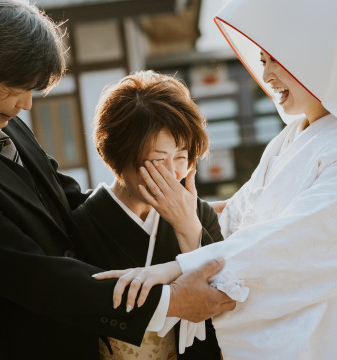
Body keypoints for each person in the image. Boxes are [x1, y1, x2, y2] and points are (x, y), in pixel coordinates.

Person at [0, 1, 236, 359]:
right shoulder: (86, 229)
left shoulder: (9, 125)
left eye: (181, 158)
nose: (26, 104)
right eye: (17, 87)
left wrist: (187, 219)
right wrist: (171, 299)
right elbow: (27, 271)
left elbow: (59, 196)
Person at [94, 0, 337, 358]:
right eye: (263, 61)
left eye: (277, 59)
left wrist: (174, 262)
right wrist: (188, 214)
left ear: (314, 53)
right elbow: (239, 214)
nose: (267, 76)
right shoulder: (289, 138)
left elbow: (288, 242)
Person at [74, 70, 223, 359]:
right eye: (157, 160)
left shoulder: (199, 214)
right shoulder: (81, 223)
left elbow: (223, 299)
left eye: (181, 157)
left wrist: (187, 227)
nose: (171, 174)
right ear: (118, 156)